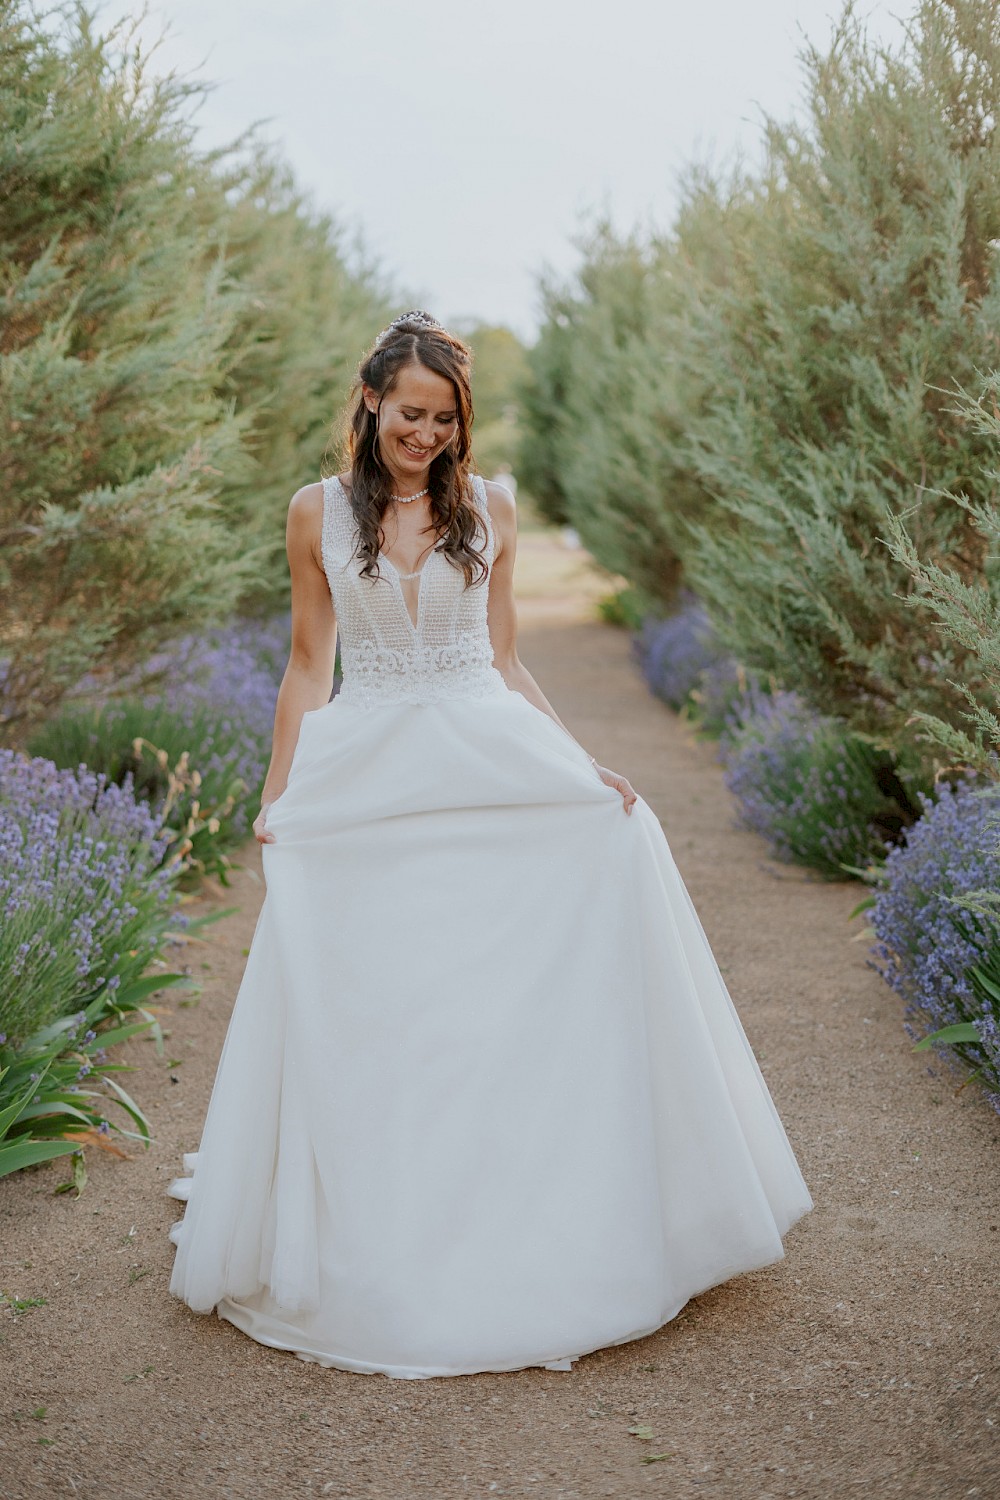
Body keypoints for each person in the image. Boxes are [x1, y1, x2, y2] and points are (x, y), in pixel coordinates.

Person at [167, 310, 813, 1380]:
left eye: (444, 419)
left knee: (595, 867)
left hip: (484, 748)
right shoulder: (314, 513)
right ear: (370, 400)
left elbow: (505, 660)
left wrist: (576, 765)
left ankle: (543, 1197)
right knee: (392, 993)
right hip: (372, 765)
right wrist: (276, 792)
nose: (424, 435)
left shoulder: (491, 506)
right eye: (408, 414)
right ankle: (395, 1206)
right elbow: (303, 663)